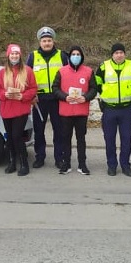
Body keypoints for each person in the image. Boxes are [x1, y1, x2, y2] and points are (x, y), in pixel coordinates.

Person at [95, 43, 131, 177]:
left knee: (126, 140)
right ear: (112, 54)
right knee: (109, 139)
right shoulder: (103, 67)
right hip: (109, 110)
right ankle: (112, 166)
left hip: (127, 110)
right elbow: (97, 84)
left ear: (125, 54)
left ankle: (126, 166)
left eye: (121, 52)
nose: (119, 55)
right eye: (116, 53)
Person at [26, 26, 68, 169]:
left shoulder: (62, 56)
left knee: (59, 130)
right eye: (44, 41)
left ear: (53, 41)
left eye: (49, 40)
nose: (47, 43)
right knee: (39, 130)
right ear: (40, 42)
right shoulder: (33, 56)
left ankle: (59, 158)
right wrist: (31, 96)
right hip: (39, 100)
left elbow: (68, 76)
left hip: (57, 99)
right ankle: (40, 157)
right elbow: (27, 77)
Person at [52, 45, 98, 175]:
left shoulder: (88, 71)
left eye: (78, 54)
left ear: (82, 56)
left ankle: (82, 164)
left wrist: (86, 97)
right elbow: (55, 89)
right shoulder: (61, 71)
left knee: (81, 139)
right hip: (66, 112)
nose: (76, 57)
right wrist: (65, 97)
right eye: (73, 54)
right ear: (69, 56)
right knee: (66, 138)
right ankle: (66, 164)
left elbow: (94, 89)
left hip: (81, 111)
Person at [0, 44, 37, 176]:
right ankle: (12, 162)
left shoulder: (27, 71)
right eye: (12, 54)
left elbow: (33, 88)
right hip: (6, 109)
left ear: (20, 55)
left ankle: (24, 163)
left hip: (21, 109)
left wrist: (24, 96)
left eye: (17, 54)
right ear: (8, 56)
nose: (14, 56)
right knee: (9, 137)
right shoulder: (2, 72)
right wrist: (4, 94)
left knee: (17, 136)